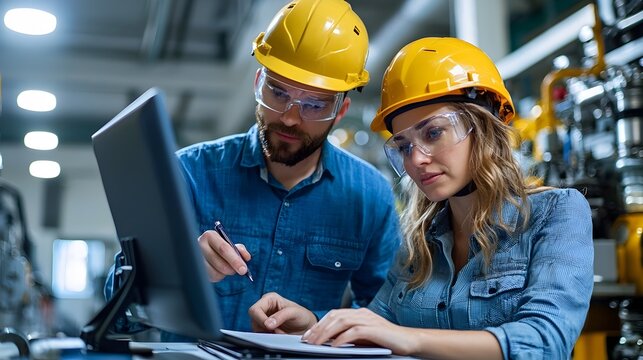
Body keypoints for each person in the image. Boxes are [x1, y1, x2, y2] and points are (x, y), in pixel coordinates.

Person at [248, 37, 594, 359]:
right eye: (404, 145)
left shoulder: (556, 213)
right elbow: (375, 323)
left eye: (433, 133)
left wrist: (410, 337)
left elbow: (546, 339)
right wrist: (312, 324)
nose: (416, 159)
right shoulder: (419, 241)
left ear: (483, 128)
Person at [104, 0, 401, 335]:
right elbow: (118, 305)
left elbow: (385, 314)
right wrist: (173, 272)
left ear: (341, 110)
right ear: (258, 81)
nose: (290, 117)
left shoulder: (369, 195)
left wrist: (318, 322)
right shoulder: (187, 174)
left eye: (314, 105)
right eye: (277, 92)